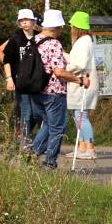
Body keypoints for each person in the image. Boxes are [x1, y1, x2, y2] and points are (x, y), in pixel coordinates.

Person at [28, 10, 88, 170]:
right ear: (56, 27)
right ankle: (50, 162)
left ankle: (33, 153)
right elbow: (59, 71)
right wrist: (79, 80)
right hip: (53, 91)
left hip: (36, 90)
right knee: (58, 127)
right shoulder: (53, 44)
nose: (62, 30)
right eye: (61, 27)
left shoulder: (33, 41)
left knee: (48, 124)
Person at [0, 8, 42, 149]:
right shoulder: (15, 40)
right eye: (21, 21)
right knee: (25, 111)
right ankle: (24, 140)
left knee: (38, 112)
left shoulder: (40, 37)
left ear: (33, 21)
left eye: (26, 20)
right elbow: (7, 60)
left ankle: (34, 138)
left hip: (38, 81)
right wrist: (9, 78)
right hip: (21, 81)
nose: (24, 23)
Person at [64, 11, 101, 161]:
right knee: (78, 115)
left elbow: (79, 64)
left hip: (83, 83)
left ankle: (90, 149)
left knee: (81, 115)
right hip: (84, 82)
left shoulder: (83, 41)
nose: (71, 27)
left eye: (72, 25)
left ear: (77, 26)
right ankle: (82, 148)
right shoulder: (85, 40)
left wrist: (64, 70)